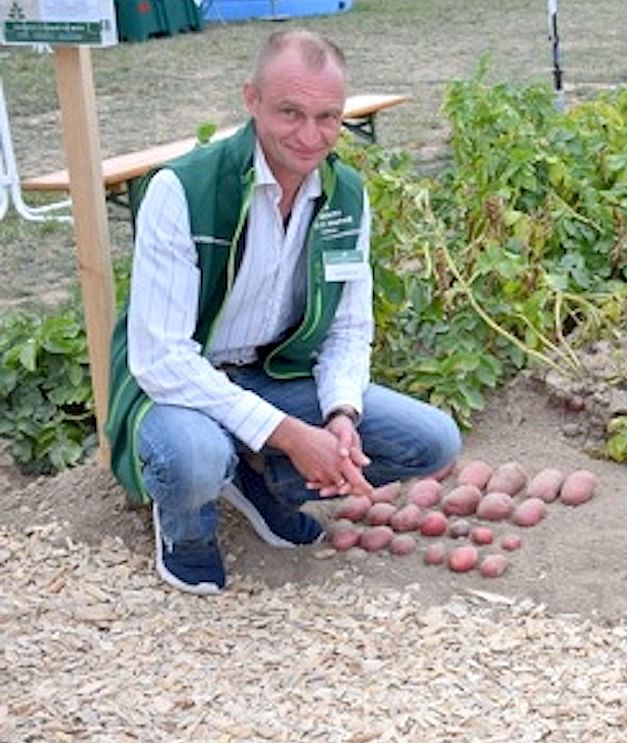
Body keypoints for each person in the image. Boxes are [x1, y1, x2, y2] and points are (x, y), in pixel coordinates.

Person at [105, 29, 461, 595]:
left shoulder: (344, 195)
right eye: (290, 112)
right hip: (176, 383)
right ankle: (188, 532)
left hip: (269, 374)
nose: (310, 135)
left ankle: (257, 478)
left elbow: (347, 325)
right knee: (195, 457)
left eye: (328, 117)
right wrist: (289, 433)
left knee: (432, 441)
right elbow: (162, 358)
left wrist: (341, 412)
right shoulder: (183, 190)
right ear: (251, 100)